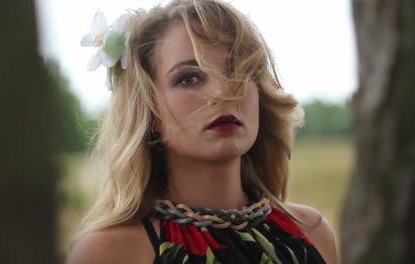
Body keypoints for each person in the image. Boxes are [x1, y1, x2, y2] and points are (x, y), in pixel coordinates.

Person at [67, 0, 338, 263]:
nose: (223, 92)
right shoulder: (110, 253)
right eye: (189, 78)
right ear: (149, 111)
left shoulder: (313, 233)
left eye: (239, 73)